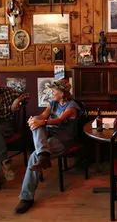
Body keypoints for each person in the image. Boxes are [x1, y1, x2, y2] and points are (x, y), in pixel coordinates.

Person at [15, 79, 80, 214]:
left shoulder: (71, 106)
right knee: (36, 126)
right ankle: (44, 154)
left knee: (34, 156)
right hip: (50, 136)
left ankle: (26, 198)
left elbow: (59, 120)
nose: (52, 93)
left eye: (54, 91)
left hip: (64, 140)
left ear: (62, 93)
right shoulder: (53, 103)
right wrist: (35, 119)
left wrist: (41, 122)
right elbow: (43, 115)